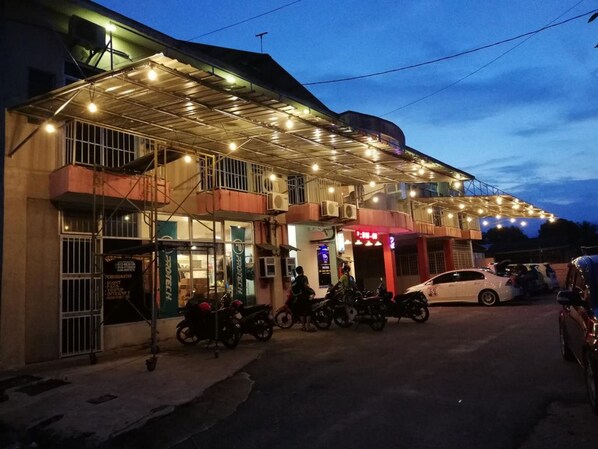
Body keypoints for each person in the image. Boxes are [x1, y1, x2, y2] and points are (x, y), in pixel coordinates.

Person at [291, 266, 315, 332]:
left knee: (301, 312)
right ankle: (308, 327)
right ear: (302, 270)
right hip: (305, 296)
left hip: (299, 297)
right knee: (308, 311)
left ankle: (303, 326)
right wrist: (310, 291)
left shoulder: (295, 279)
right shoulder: (304, 278)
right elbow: (306, 286)